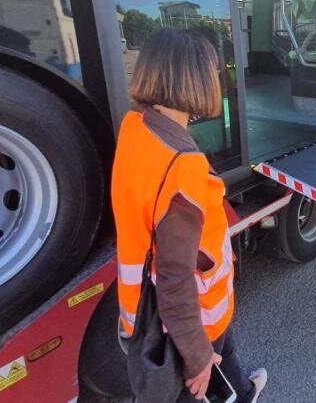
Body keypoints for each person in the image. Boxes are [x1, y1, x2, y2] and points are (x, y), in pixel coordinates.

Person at [112, 29, 267, 402]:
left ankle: (242, 392)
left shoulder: (137, 129)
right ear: (194, 80)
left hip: (142, 310)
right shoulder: (183, 166)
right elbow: (174, 277)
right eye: (213, 72)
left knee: (225, 351)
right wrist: (196, 357)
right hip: (191, 318)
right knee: (201, 379)